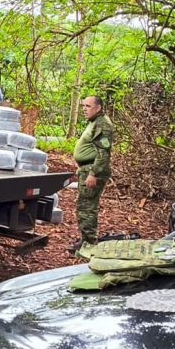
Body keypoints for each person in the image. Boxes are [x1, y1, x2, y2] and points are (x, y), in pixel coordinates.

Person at [70, 95, 115, 255]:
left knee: (87, 207)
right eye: (83, 106)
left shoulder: (103, 124)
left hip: (92, 170)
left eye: (88, 106)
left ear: (98, 108)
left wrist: (93, 173)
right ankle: (85, 240)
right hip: (86, 168)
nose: (84, 109)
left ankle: (88, 244)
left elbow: (104, 153)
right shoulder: (95, 122)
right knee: (84, 206)